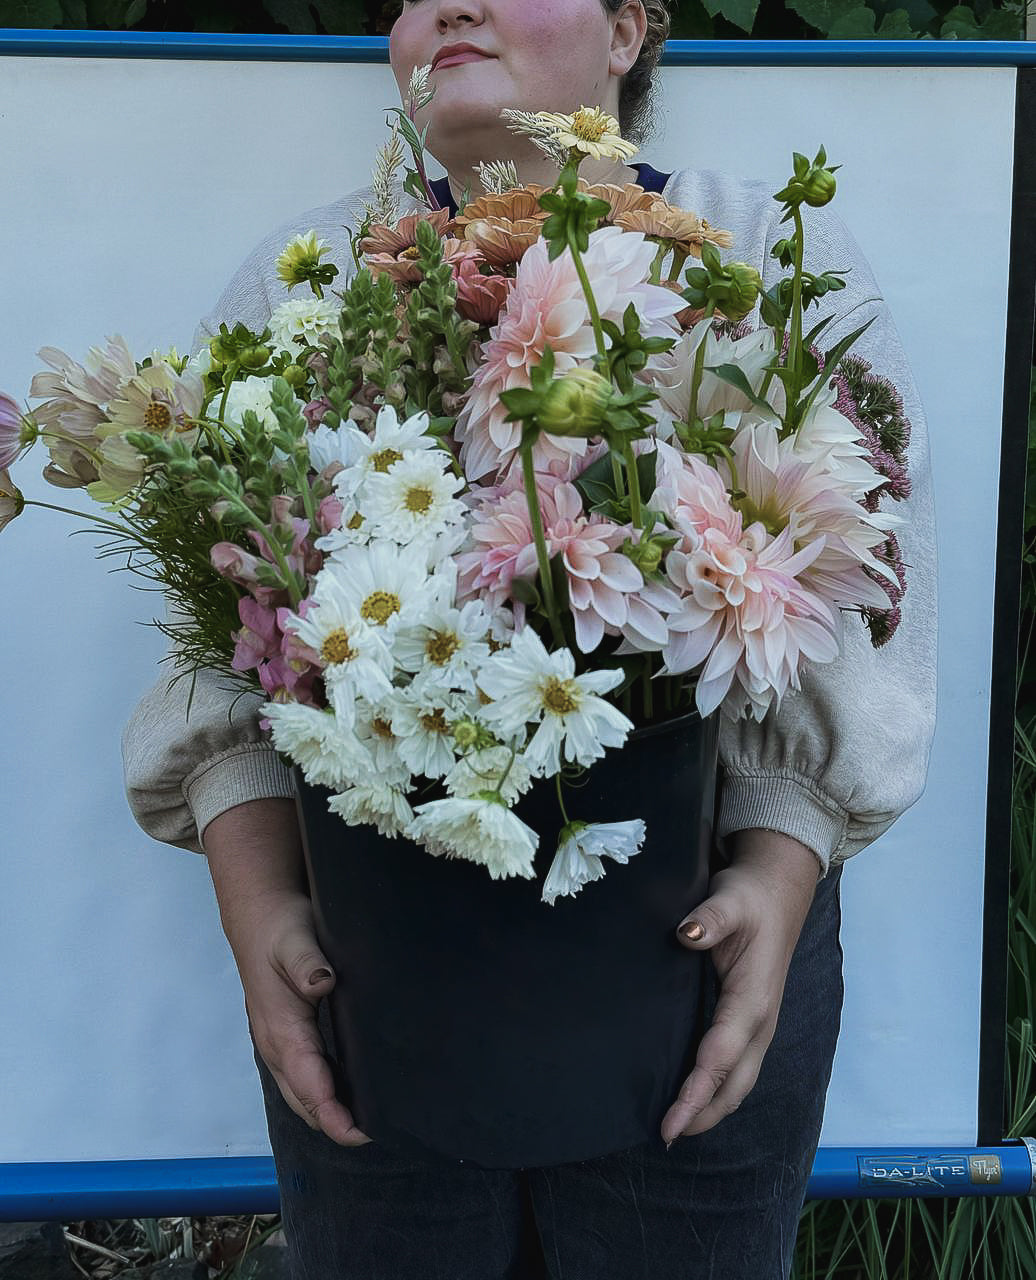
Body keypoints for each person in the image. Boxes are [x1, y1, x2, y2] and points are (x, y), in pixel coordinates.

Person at [122, 1, 938, 1276]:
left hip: (700, 950)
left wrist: (780, 871)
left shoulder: (756, 259)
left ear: (627, 31)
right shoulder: (318, 278)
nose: (441, 8)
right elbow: (227, 629)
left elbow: (865, 599)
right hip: (371, 962)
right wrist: (255, 893)